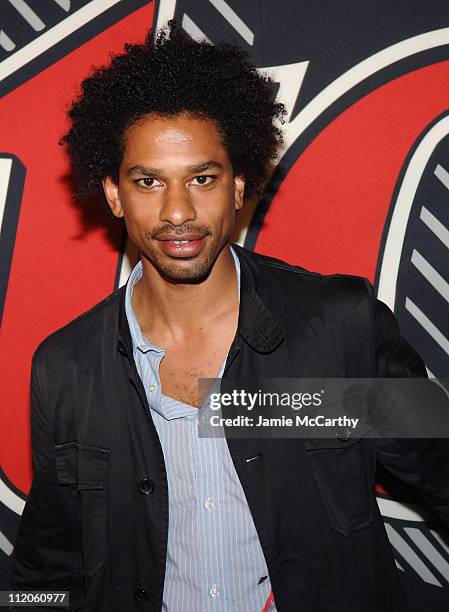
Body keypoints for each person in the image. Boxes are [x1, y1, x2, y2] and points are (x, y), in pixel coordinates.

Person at [9, 21, 449, 612]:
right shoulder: (66, 367)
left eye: (202, 178)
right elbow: (46, 566)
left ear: (239, 185)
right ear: (114, 193)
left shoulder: (339, 327)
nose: (178, 212)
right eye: (148, 182)